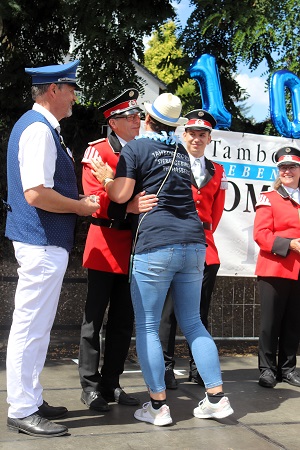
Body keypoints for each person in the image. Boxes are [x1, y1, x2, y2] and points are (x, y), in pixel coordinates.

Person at [90, 93, 234, 426]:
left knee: (148, 326)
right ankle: (216, 398)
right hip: (195, 245)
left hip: (156, 244)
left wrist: (106, 179)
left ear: (148, 120)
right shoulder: (181, 152)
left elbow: (122, 195)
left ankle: (157, 408)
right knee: (194, 323)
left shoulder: (136, 148)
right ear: (173, 125)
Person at [5, 60, 100, 438]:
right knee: (31, 327)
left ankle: (30, 397)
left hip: (42, 241)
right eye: (71, 88)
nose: (75, 95)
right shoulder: (39, 130)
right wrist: (79, 206)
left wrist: (74, 198)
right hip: (41, 242)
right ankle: (23, 407)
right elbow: (36, 194)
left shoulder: (40, 127)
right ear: (53, 91)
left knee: (38, 327)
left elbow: (41, 190)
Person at [79, 89, 156, 411]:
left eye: (139, 115)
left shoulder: (144, 151)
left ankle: (112, 383)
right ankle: (90, 386)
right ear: (113, 122)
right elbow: (94, 201)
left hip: (135, 247)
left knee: (124, 322)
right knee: (93, 321)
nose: (138, 121)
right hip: (105, 242)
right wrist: (130, 207)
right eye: (131, 117)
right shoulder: (97, 152)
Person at [159, 109, 228, 389]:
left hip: (204, 248)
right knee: (167, 311)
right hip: (171, 243)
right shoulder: (169, 162)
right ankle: (165, 367)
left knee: (199, 312)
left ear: (209, 139)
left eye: (202, 134)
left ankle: (198, 367)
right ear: (183, 135)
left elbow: (216, 212)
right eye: (191, 133)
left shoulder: (218, 170)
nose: (196, 139)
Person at [254, 146, 300, 388]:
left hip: (299, 271)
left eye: (292, 166)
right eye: (283, 167)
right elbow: (261, 235)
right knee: (270, 323)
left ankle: (288, 369)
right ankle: (267, 369)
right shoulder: (268, 197)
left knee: (294, 322)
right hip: (274, 268)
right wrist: (290, 244)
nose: (287, 170)